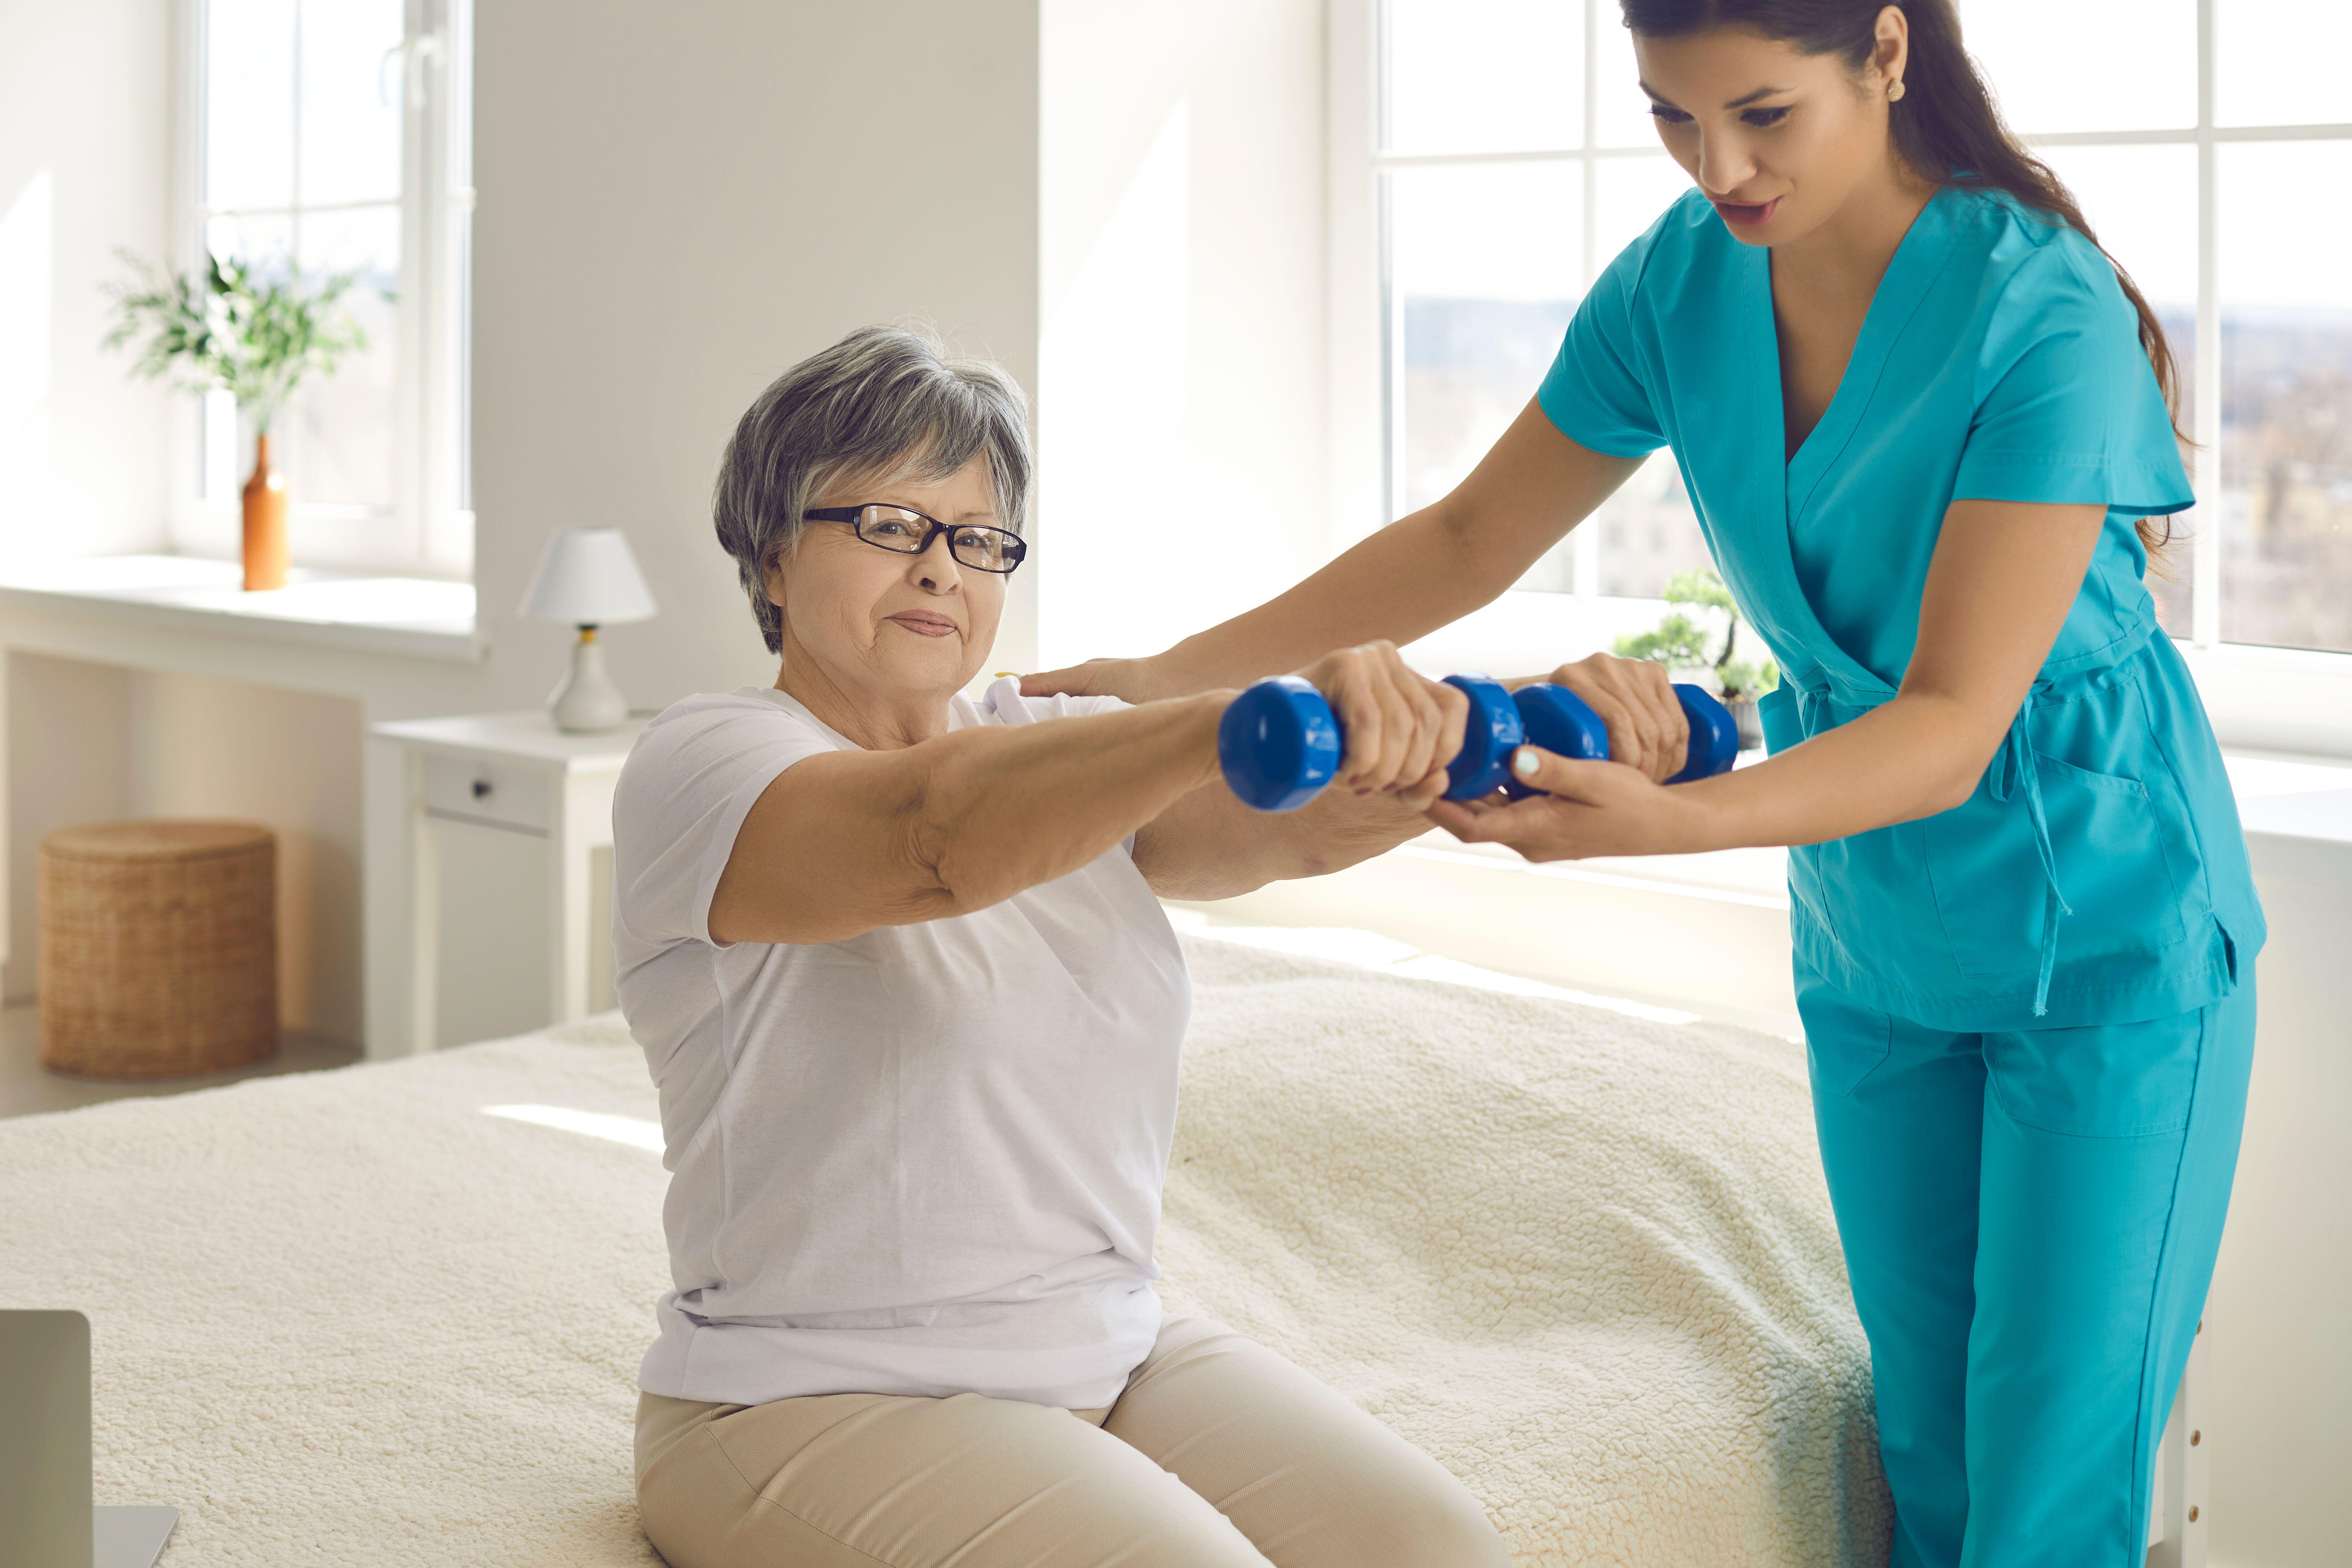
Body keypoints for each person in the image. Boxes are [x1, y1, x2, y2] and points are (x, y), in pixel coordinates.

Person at [1025, 5, 2262, 1565]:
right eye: (1674, 119)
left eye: (1762, 114)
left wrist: (1676, 825)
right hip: (1880, 930)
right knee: (1932, 1461)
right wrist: (1176, 677)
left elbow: (1951, 721)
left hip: (2103, 929)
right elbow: (1467, 542)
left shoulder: (2042, 308)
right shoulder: (1682, 284)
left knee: (2044, 1493)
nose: (1719, 167)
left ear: (1886, 53)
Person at [610, 325, 1510, 1568]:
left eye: (976, 540)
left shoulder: (1064, 739)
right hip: (802, 1394)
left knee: (1435, 1547)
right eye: (886, 524)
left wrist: (1486, 742)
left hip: (1108, 1343)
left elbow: (1292, 832)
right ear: (770, 555)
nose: (939, 570)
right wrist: (1238, 710)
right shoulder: (708, 761)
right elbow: (935, 834)